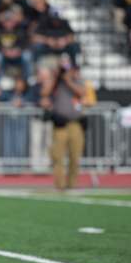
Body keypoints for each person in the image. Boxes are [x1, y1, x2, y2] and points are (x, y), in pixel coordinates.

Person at [43, 55, 93, 191]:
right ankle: (59, 185)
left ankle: (72, 184)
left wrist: (68, 80)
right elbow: (45, 92)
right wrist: (56, 77)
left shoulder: (78, 82)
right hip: (60, 124)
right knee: (57, 156)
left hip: (76, 124)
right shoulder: (56, 83)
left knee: (75, 156)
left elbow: (82, 93)